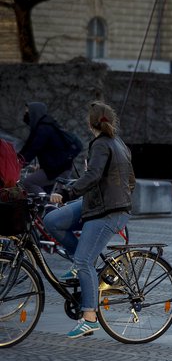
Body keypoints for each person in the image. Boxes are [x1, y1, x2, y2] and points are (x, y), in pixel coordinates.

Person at [44, 101, 135, 339]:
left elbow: (94, 175)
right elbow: (125, 180)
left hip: (108, 212)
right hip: (97, 205)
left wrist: (67, 193)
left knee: (85, 261)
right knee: (53, 220)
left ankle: (89, 318)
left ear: (89, 122)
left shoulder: (103, 144)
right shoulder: (118, 144)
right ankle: (80, 263)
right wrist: (77, 187)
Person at [18, 102, 81, 194]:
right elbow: (27, 147)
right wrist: (17, 159)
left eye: (28, 113)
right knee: (52, 194)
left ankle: (45, 206)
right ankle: (47, 204)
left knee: (29, 182)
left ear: (34, 113)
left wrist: (19, 163)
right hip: (56, 168)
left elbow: (33, 149)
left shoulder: (44, 129)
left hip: (58, 170)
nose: (25, 115)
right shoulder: (42, 125)